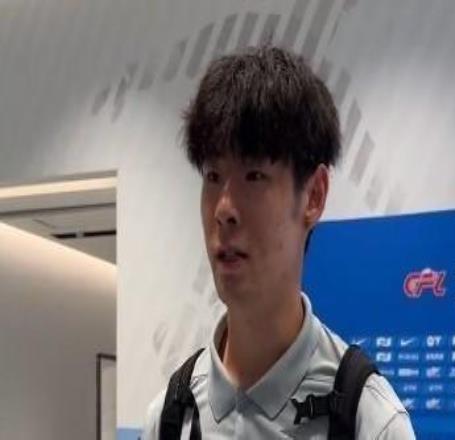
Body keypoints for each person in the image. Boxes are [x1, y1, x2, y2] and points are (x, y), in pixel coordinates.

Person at [143, 46, 415, 439]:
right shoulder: (171, 417)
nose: (224, 209)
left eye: (254, 176)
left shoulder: (369, 422)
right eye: (213, 176)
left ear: (314, 195)